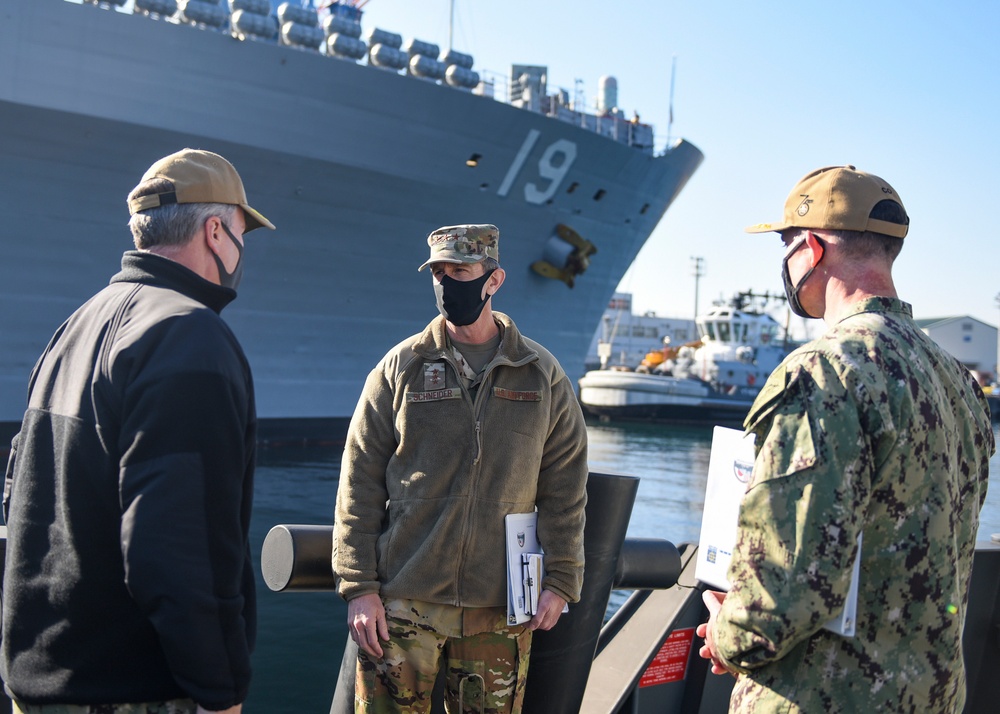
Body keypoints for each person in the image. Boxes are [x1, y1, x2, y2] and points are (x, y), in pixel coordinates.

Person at [697, 165, 995, 712]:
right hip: (930, 695)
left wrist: (726, 634)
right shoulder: (956, 379)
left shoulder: (824, 372)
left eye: (786, 245)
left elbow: (781, 589)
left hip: (825, 695)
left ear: (810, 248)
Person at [2, 149, 275, 713]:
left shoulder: (75, 327)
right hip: (132, 693)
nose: (243, 250)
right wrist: (221, 692)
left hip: (41, 681)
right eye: (243, 232)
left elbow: (20, 498)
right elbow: (179, 544)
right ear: (216, 230)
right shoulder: (189, 335)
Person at [333, 224, 588, 713]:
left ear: (494, 280)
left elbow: (565, 486)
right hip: (404, 603)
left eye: (462, 272)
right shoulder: (400, 368)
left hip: (500, 608)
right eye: (439, 273)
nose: (449, 284)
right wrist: (359, 587)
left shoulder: (541, 374)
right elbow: (359, 479)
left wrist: (560, 581)